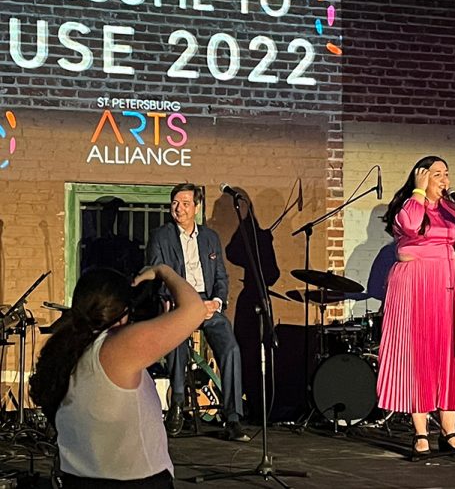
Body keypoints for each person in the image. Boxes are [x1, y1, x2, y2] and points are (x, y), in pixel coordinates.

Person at [29, 265, 206, 488]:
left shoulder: (65, 347)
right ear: (122, 312)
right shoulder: (117, 348)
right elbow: (195, 310)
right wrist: (163, 271)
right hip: (134, 481)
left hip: (77, 479)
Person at [376, 155, 455, 459]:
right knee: (419, 355)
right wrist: (419, 191)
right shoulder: (409, 207)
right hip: (414, 286)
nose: (444, 179)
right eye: (436, 173)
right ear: (421, 176)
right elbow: (410, 227)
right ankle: (421, 432)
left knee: (448, 356)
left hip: (446, 287)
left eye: (446, 174)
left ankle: (449, 431)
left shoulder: (452, 212)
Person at [146, 183, 249, 442]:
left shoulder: (210, 238)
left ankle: (233, 417)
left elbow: (221, 277)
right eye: (175, 203)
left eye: (185, 204)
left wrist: (215, 302)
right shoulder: (161, 236)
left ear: (197, 207)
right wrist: (180, 302)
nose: (178, 209)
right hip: (179, 301)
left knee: (231, 348)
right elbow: (159, 274)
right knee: (177, 340)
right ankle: (178, 405)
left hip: (207, 303)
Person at [225, 193, 280, 423]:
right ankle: (249, 403)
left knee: (262, 351)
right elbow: (232, 252)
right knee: (246, 351)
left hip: (259, 296)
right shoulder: (249, 234)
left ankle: (262, 405)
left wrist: (264, 242)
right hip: (251, 297)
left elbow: (272, 274)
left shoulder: (260, 237)